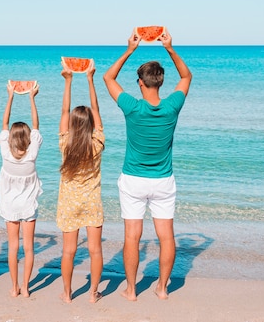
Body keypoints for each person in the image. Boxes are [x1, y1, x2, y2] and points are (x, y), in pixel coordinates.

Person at [102, 27, 192, 301]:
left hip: (133, 180)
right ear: (161, 83)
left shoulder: (132, 106)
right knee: (166, 236)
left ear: (141, 83)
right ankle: (162, 288)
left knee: (133, 236)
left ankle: (130, 290)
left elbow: (108, 77)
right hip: (163, 180)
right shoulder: (172, 106)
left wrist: (130, 49)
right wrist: (170, 48)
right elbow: (186, 76)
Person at [57, 63, 105, 304]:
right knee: (95, 250)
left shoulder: (65, 144)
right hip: (91, 203)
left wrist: (68, 81)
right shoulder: (97, 144)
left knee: (68, 251)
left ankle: (67, 293)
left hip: (69, 204)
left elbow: (65, 112)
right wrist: (90, 80)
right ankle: (94, 293)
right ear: (91, 126)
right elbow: (95, 109)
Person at [0, 81, 43, 298]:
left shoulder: (6, 154)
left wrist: (10, 96)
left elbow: (4, 123)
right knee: (29, 248)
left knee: (13, 247)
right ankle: (26, 288)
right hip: (28, 206)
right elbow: (36, 126)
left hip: (9, 206)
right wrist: (32, 98)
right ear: (27, 139)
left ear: (11, 139)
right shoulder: (32, 154)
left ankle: (14, 287)